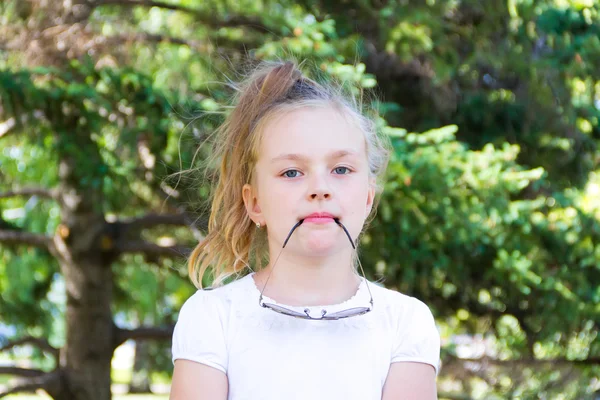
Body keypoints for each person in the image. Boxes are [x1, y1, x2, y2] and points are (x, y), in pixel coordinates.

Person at [169, 60, 441, 400]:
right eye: (292, 173)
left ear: (368, 197)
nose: (320, 188)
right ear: (255, 204)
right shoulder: (213, 319)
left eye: (341, 169)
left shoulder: (405, 323)